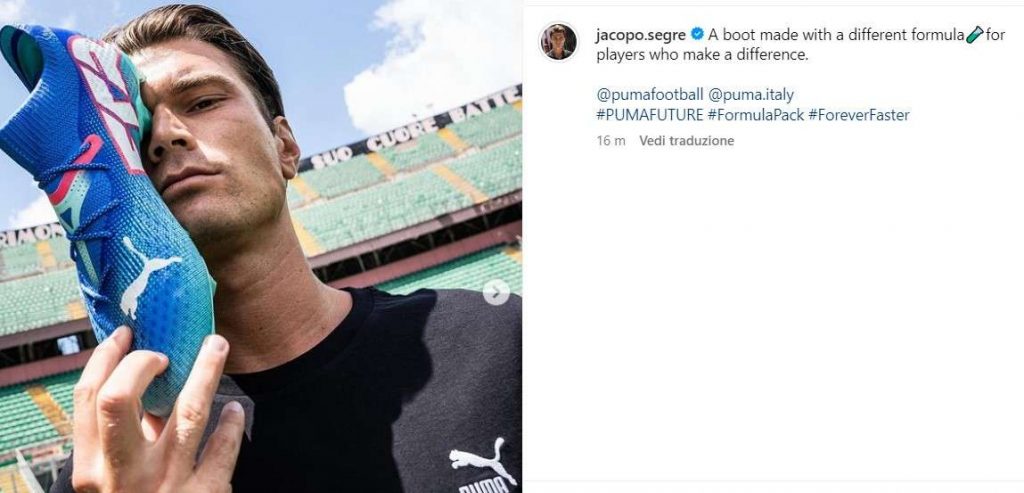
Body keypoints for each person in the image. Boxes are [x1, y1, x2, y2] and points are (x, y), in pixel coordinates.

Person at [51, 4, 521, 492]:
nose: (165, 136)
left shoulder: (502, 340)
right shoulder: (109, 466)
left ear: (285, 146)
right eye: (135, 131)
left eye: (203, 102)